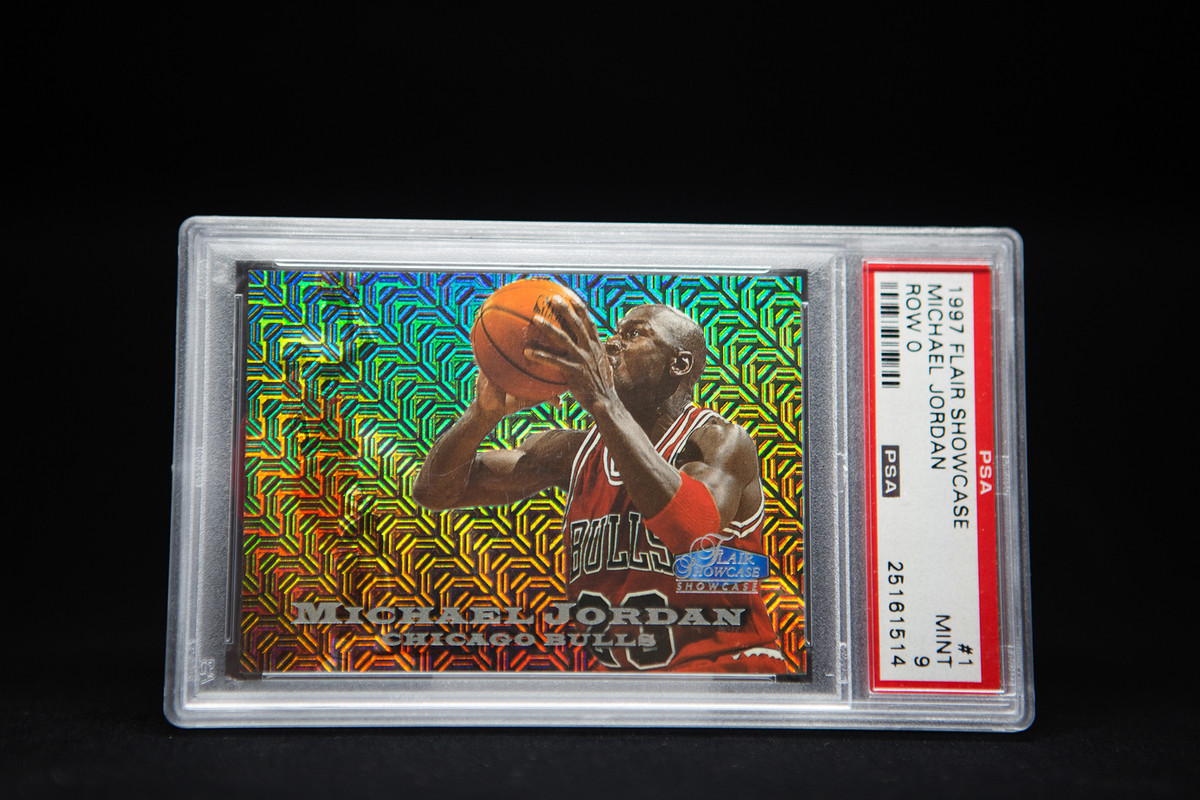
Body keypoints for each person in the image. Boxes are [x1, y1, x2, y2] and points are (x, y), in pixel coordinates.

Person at [413, 296, 785, 672]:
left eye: (634, 334)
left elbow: (691, 529)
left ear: (679, 364)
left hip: (727, 677)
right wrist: (481, 415)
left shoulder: (720, 442)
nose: (611, 343)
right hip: (626, 686)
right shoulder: (575, 451)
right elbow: (435, 492)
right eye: (615, 333)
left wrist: (602, 400)